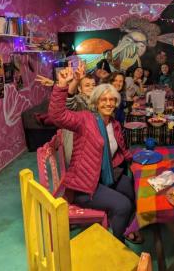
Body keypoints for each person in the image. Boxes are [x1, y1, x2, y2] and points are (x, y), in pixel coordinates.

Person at [48, 67, 143, 244]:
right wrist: (61, 86)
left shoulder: (114, 123)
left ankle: (124, 227)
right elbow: (57, 116)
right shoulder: (85, 119)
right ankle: (117, 245)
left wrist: (137, 161)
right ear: (96, 102)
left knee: (135, 191)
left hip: (106, 176)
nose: (108, 103)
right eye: (103, 99)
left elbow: (120, 149)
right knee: (123, 205)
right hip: (85, 185)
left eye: (112, 100)